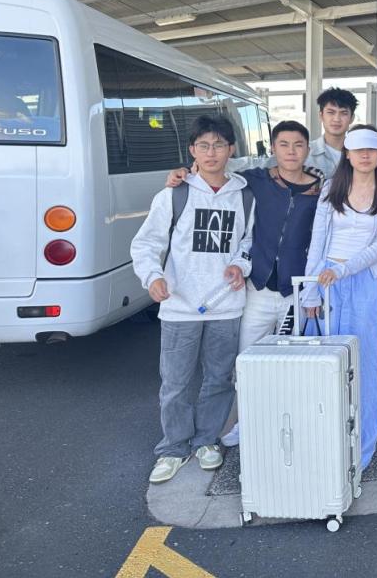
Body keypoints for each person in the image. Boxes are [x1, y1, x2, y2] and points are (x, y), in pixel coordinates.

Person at [164, 120, 324, 446]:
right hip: (258, 289)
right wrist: (184, 171)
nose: (291, 151)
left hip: (296, 291)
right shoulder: (255, 180)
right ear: (273, 149)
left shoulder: (322, 189)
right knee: (247, 362)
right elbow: (217, 167)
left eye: (298, 145)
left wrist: (314, 291)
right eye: (283, 144)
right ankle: (246, 422)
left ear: (308, 149)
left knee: (292, 362)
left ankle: (288, 422)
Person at [130, 115, 255, 484]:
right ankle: (173, 448)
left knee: (219, 378)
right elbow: (146, 243)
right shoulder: (174, 194)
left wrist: (239, 265)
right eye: (204, 146)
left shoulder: (245, 196)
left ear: (231, 149)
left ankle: (206, 440)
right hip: (179, 305)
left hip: (226, 305)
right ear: (192, 151)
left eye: (219, 145)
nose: (211, 153)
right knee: (176, 383)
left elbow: (249, 242)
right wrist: (152, 277)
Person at [301, 125, 377, 470]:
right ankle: (322, 435)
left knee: (367, 360)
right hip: (327, 280)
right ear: (347, 153)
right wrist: (310, 290)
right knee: (325, 357)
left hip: (366, 281)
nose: (365, 155)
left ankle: (361, 442)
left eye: (372, 149)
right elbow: (317, 241)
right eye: (358, 149)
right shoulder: (332, 188)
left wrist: (343, 270)